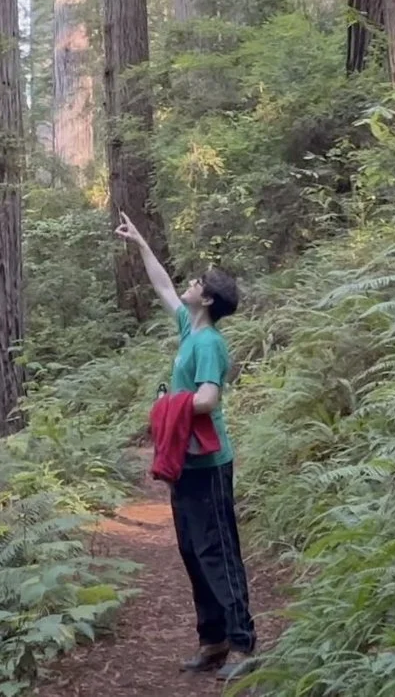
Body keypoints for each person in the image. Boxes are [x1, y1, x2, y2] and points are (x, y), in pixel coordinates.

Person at [116, 212, 256, 679]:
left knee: (218, 550)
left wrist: (166, 406)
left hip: (210, 463)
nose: (189, 285)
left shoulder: (209, 343)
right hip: (186, 463)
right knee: (193, 551)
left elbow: (209, 397)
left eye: (197, 282)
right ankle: (212, 640)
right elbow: (163, 288)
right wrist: (140, 243)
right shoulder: (188, 327)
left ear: (209, 299)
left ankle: (242, 645)